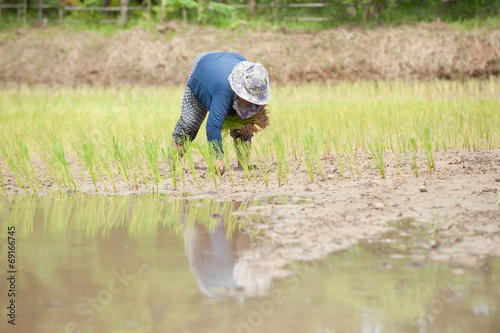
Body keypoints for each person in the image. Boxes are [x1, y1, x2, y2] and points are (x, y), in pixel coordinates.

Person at [172, 52, 271, 175]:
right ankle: (171, 163)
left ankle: (243, 166)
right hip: (203, 71)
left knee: (241, 124)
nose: (253, 101)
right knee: (190, 123)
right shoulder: (223, 90)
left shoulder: (256, 80)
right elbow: (213, 126)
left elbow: (252, 114)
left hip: (227, 62)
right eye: (250, 97)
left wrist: (250, 126)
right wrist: (217, 157)